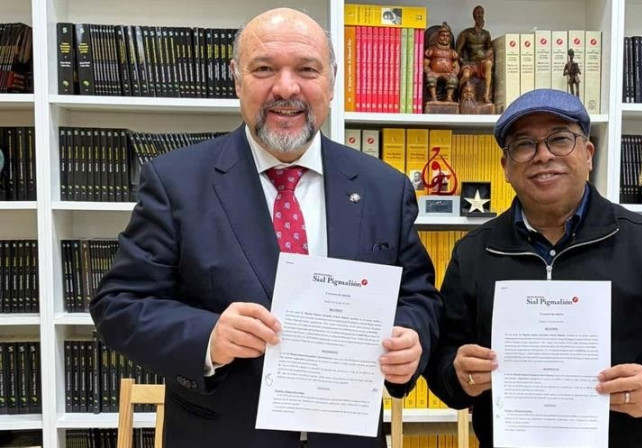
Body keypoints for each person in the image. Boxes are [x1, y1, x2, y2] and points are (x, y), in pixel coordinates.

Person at [90, 8, 441, 448]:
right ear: (237, 80)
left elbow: (418, 296)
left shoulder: (384, 187)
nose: (286, 88)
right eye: (264, 69)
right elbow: (119, 306)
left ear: (332, 83)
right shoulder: (176, 182)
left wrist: (411, 338)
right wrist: (209, 337)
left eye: (307, 70)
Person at [424, 88, 642, 448]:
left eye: (560, 139)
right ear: (505, 167)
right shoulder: (475, 252)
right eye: (524, 145)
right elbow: (442, 360)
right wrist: (457, 375)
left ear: (588, 154)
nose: (543, 155)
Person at [456, 5, 494, 104]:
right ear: (474, 16)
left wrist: (489, 52)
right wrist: (461, 60)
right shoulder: (466, 33)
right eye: (478, 13)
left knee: (489, 64)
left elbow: (490, 47)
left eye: (481, 13)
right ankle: (458, 92)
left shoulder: (486, 34)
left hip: (481, 63)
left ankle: (486, 95)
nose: (480, 15)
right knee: (466, 75)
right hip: (469, 63)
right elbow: (458, 51)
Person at [423, 23, 459, 103]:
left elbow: (456, 64)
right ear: (438, 36)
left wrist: (455, 71)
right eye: (443, 35)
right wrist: (428, 71)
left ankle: (449, 98)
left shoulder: (452, 52)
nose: (445, 38)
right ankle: (434, 98)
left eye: (447, 36)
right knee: (430, 78)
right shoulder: (432, 50)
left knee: (453, 80)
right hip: (434, 73)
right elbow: (425, 63)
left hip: (448, 74)